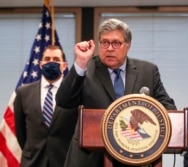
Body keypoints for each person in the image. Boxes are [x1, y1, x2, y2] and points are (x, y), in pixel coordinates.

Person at [56, 18, 177, 167]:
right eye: (105, 42)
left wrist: (172, 127)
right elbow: (63, 101)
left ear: (128, 45)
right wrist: (80, 63)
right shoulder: (87, 69)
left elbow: (167, 106)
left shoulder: (148, 71)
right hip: (90, 158)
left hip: (134, 156)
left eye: (116, 43)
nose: (110, 48)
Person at [14, 45, 78, 167]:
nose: (51, 62)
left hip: (64, 161)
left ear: (64, 66)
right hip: (33, 161)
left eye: (56, 59)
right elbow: (20, 131)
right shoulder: (23, 92)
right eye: (47, 59)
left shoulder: (73, 92)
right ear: (40, 64)